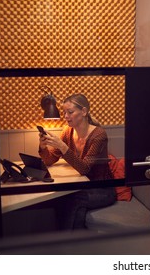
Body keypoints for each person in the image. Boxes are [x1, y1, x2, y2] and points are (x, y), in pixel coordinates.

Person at [38, 93, 116, 230]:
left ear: (84, 112)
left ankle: (65, 244)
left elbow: (84, 168)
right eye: (64, 112)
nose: (66, 116)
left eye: (70, 112)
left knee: (75, 198)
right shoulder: (67, 131)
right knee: (67, 200)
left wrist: (62, 146)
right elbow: (50, 160)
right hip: (83, 186)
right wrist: (43, 147)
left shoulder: (99, 135)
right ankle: (75, 245)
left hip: (103, 189)